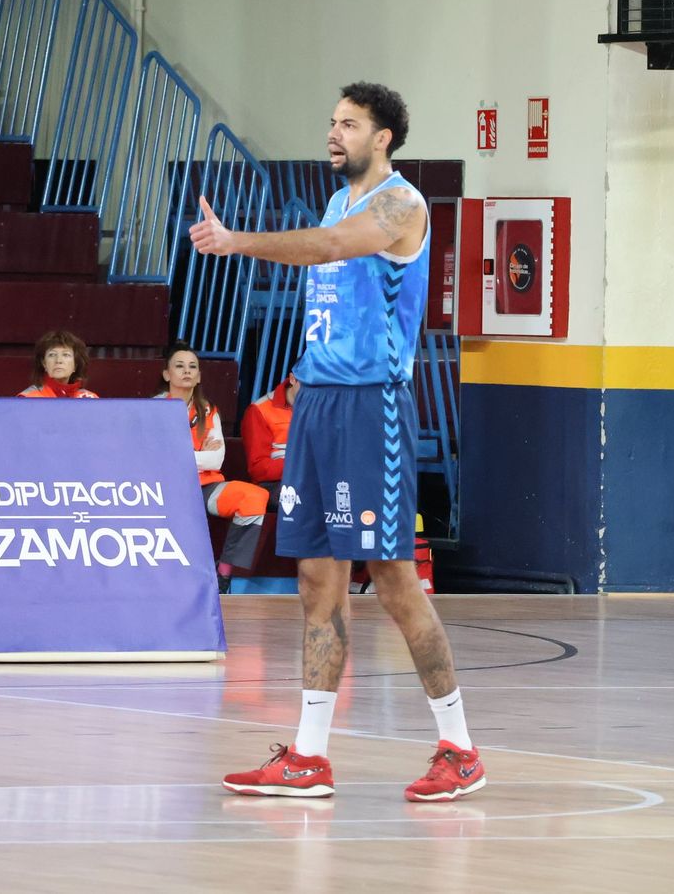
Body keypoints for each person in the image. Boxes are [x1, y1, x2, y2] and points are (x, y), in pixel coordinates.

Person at [191, 81, 483, 802]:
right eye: (330, 122)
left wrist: (236, 242)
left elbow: (329, 247)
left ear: (382, 137)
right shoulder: (335, 197)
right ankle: (309, 757)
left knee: (391, 580)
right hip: (318, 402)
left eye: (348, 124)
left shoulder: (400, 204)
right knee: (316, 579)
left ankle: (460, 747)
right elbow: (326, 242)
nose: (333, 134)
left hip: (371, 408)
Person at [154, 343, 270, 590]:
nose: (187, 371)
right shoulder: (154, 408)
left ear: (198, 376)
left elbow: (215, 460)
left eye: (192, 367)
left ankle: (223, 574)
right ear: (167, 375)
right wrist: (197, 454)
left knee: (253, 497)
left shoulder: (208, 409)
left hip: (206, 484)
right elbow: (159, 457)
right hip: (166, 487)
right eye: (179, 366)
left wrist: (183, 455)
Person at [241, 372, 299, 494]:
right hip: (274, 483)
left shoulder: (322, 407)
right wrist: (300, 466)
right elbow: (258, 468)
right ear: (293, 379)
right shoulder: (259, 410)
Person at [18, 329, 100, 398]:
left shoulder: (89, 399)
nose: (58, 360)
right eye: (52, 355)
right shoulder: (28, 398)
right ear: (44, 364)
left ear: (75, 365)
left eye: (66, 355)